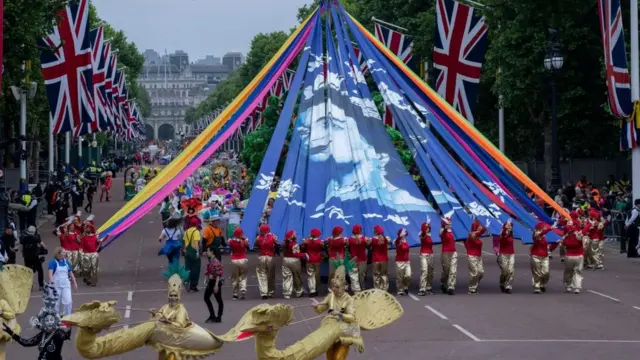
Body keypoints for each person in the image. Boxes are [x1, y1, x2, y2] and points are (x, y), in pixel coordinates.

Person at [2, 283, 72, 360]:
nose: (49, 322)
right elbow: (26, 343)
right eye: (47, 320)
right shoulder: (42, 335)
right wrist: (11, 333)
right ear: (43, 322)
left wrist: (71, 323)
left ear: (55, 321)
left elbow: (67, 334)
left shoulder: (58, 334)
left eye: (51, 320)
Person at [311, 264, 362, 360]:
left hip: (344, 333)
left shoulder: (349, 300)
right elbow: (322, 307)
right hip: (330, 330)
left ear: (344, 287)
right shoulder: (331, 296)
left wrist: (340, 314)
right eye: (333, 286)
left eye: (337, 287)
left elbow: (352, 318)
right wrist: (317, 305)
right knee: (330, 356)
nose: (334, 289)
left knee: (338, 358)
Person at [47, 247, 77, 316]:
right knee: (56, 303)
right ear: (58, 254)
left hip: (66, 285)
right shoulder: (53, 262)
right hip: (56, 286)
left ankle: (67, 317)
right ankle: (56, 318)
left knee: (68, 301)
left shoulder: (66, 262)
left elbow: (70, 273)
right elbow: (50, 274)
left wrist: (74, 282)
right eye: (63, 252)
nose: (65, 253)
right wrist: (52, 283)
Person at [559, 221, 584, 294]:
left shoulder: (566, 238)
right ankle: (577, 287)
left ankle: (568, 286)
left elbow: (562, 244)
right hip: (579, 256)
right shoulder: (579, 237)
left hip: (569, 256)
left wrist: (565, 236)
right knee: (578, 271)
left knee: (568, 272)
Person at [465, 218, 488, 295]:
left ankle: (474, 283)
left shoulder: (478, 236)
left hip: (478, 257)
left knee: (481, 272)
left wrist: (484, 228)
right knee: (475, 273)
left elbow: (480, 233)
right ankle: (471, 289)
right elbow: (477, 233)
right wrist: (484, 228)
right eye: (479, 226)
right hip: (471, 256)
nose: (480, 227)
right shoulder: (471, 235)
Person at [254, 224, 277, 299]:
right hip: (270, 257)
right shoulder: (273, 237)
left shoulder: (258, 238)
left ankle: (264, 292)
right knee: (271, 275)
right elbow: (277, 245)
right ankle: (270, 291)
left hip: (261, 257)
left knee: (262, 274)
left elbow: (256, 245)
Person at [281, 230, 306, 299]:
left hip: (285, 260)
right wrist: (304, 254)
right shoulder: (295, 244)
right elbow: (296, 254)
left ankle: (287, 293)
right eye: (294, 234)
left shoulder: (284, 243)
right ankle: (298, 291)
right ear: (292, 236)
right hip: (295, 261)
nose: (296, 235)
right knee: (297, 276)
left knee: (286, 277)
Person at [530, 222, 553, 294]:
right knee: (537, 273)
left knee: (545, 272)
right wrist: (549, 229)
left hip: (544, 256)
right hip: (535, 256)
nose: (544, 228)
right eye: (543, 227)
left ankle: (542, 284)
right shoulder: (535, 235)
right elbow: (540, 234)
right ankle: (537, 287)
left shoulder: (544, 237)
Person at [21, 226, 45, 291]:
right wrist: (43, 248)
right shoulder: (36, 237)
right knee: (40, 270)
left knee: (28, 271)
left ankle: (30, 286)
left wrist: (24, 254)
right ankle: (41, 285)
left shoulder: (24, 238)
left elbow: (22, 248)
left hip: (27, 257)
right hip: (35, 256)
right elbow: (42, 244)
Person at [228, 227, 249, 300]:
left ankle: (235, 294)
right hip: (243, 259)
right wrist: (243, 238)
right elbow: (247, 246)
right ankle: (243, 289)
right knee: (243, 276)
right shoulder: (244, 241)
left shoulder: (231, 241)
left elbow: (229, 243)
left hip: (234, 260)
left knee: (235, 277)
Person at [204, 247, 224, 323]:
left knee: (218, 300)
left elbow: (218, 274)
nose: (207, 252)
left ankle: (218, 316)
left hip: (215, 282)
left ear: (212, 252)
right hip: (211, 282)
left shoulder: (216, 262)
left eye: (208, 251)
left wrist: (216, 285)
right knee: (206, 298)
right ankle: (213, 315)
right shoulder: (211, 261)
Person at [302, 228, 324, 297]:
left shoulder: (307, 241)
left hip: (309, 260)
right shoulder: (320, 242)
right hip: (317, 260)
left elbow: (303, 248)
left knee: (310, 275)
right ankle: (316, 289)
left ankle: (312, 290)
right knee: (317, 275)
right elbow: (323, 248)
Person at [183, 216, 202, 292]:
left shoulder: (186, 231)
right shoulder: (196, 232)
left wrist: (184, 250)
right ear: (196, 224)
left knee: (187, 267)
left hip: (187, 251)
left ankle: (186, 280)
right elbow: (196, 243)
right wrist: (197, 252)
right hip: (193, 251)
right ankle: (193, 285)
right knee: (196, 269)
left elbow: (184, 242)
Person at [347, 224, 367, 293]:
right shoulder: (365, 239)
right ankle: (362, 288)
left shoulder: (349, 240)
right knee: (362, 275)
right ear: (360, 230)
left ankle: (356, 290)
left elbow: (347, 248)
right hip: (363, 259)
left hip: (353, 259)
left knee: (353, 275)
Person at [497, 220, 515, 294]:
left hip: (511, 254)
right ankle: (502, 283)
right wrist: (505, 228)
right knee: (505, 271)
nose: (509, 226)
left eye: (510, 225)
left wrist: (510, 224)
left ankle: (508, 286)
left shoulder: (511, 234)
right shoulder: (502, 234)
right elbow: (503, 234)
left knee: (511, 271)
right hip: (503, 254)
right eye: (508, 225)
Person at [440, 217, 457, 295]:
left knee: (453, 270)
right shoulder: (442, 231)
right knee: (446, 271)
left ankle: (451, 287)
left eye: (450, 223)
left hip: (453, 252)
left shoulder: (452, 231)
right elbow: (441, 235)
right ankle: (443, 283)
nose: (450, 224)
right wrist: (445, 228)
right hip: (445, 253)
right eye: (448, 223)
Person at [370, 225, 389, 292]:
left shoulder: (373, 240)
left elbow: (369, 246)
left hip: (375, 259)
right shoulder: (385, 239)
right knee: (384, 275)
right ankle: (384, 289)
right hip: (384, 259)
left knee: (376, 276)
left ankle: (377, 290)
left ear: (375, 231)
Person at [418, 219, 434, 296]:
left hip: (430, 254)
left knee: (430, 272)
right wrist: (426, 225)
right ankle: (422, 289)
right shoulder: (421, 234)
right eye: (426, 228)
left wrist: (429, 225)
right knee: (424, 270)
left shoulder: (429, 235)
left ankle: (429, 287)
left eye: (428, 228)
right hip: (423, 254)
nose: (427, 229)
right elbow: (423, 234)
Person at [394, 229, 411, 296]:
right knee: (399, 277)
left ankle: (405, 286)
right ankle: (400, 290)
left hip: (407, 261)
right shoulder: (397, 241)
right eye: (403, 233)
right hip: (399, 261)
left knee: (408, 275)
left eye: (405, 233)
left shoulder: (406, 241)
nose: (404, 234)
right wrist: (399, 237)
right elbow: (397, 242)